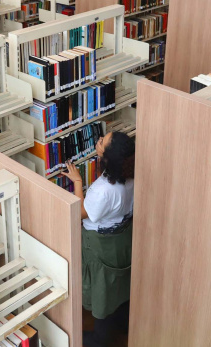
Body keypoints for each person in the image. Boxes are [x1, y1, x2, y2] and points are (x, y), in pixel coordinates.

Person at [61, 131, 135, 347]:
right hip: (122, 239)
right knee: (120, 282)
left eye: (103, 141)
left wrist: (77, 181)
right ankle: (122, 324)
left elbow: (81, 212)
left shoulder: (104, 191)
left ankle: (101, 339)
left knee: (103, 291)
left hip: (100, 245)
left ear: (109, 158)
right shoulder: (129, 176)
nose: (99, 140)